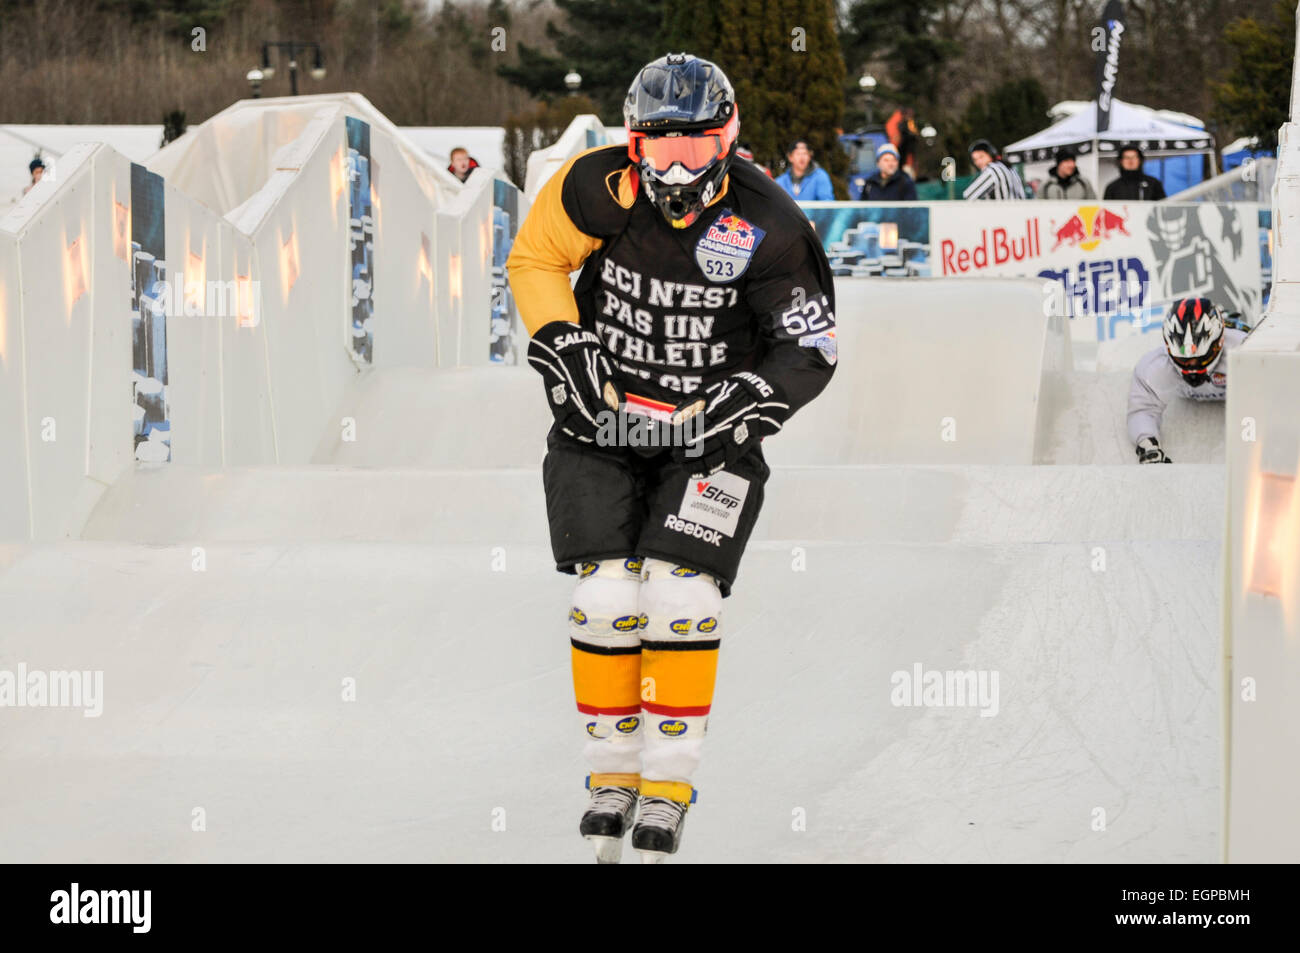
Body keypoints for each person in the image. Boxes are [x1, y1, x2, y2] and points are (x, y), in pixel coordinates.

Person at [506, 52, 836, 863]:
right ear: (632, 141)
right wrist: (560, 339)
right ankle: (611, 776)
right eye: (659, 147)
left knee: (682, 597)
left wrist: (749, 398)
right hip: (601, 428)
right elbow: (536, 259)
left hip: (708, 439)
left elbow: (813, 345)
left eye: (696, 144)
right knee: (608, 598)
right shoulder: (592, 188)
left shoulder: (773, 225)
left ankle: (671, 783)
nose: (678, 165)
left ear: (730, 136)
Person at [1127, 297, 1246, 463]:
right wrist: (1148, 445)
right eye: (1183, 359)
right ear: (1169, 349)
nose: (1192, 368)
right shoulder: (1155, 367)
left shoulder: (1246, 351)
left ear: (1218, 344)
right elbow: (1144, 408)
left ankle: (1230, 319)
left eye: (1200, 359)